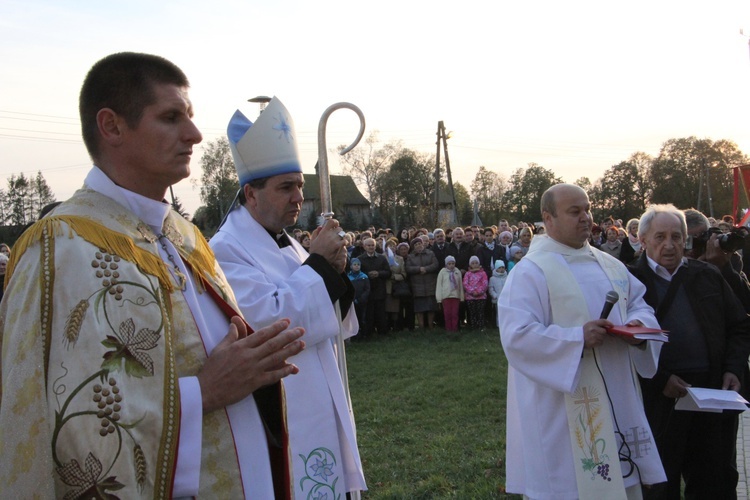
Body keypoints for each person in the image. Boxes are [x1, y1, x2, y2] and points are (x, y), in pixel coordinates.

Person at [0, 52, 307, 498]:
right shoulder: (60, 248)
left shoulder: (187, 236)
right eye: (170, 117)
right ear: (112, 126)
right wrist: (203, 392)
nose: (195, 135)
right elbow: (56, 423)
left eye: (191, 117)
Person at [209, 97, 366, 497]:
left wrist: (333, 270)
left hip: (317, 390)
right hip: (279, 407)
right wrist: (320, 265)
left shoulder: (287, 244)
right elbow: (269, 323)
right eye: (286, 187)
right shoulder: (226, 249)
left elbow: (324, 312)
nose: (299, 196)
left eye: (299, 185)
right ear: (251, 193)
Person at [499, 183, 666, 499]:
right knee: (571, 485)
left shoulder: (610, 265)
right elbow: (516, 336)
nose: (586, 217)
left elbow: (640, 304)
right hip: (563, 404)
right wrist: (576, 339)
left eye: (587, 209)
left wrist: (637, 328)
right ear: (548, 219)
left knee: (620, 480)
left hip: (616, 392)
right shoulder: (531, 271)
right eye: (574, 212)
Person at [629, 205, 750, 499]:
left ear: (687, 240)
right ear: (643, 240)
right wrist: (660, 380)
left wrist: (734, 368)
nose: (669, 245)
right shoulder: (630, 282)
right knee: (659, 486)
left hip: (712, 397)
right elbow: (625, 344)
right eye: (660, 237)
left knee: (715, 481)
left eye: (676, 236)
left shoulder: (707, 274)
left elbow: (739, 326)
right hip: (660, 402)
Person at [358, 237, 391, 338]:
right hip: (367, 290)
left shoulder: (381, 258)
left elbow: (388, 272)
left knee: (380, 312)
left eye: (372, 245)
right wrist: (367, 274)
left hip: (379, 288)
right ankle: (369, 333)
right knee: (368, 313)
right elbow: (357, 273)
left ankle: (382, 332)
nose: (371, 247)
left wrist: (378, 273)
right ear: (364, 246)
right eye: (368, 245)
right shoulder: (360, 259)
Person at [405, 237, 439, 329]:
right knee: (419, 308)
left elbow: (435, 264)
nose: (418, 246)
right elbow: (408, 268)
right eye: (416, 245)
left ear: (423, 244)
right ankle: (421, 326)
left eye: (419, 244)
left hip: (430, 284)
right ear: (413, 247)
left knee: (431, 308)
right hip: (417, 286)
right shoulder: (410, 257)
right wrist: (418, 269)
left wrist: (426, 269)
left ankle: (431, 325)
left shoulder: (430, 253)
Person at [435, 255, 464, 332]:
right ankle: (448, 328)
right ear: (446, 264)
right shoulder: (442, 272)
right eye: (449, 264)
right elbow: (439, 285)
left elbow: (460, 285)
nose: (451, 265)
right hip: (446, 296)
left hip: (455, 296)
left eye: (453, 263)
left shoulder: (457, 272)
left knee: (454, 313)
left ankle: (454, 328)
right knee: (447, 314)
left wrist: (461, 297)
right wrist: (439, 298)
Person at [463, 255, 488, 329]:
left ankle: (481, 326)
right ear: (470, 264)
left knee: (480, 312)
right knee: (472, 312)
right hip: (470, 297)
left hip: (481, 296)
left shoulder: (483, 273)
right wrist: (472, 292)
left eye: (476, 263)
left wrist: (478, 292)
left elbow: (485, 284)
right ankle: (473, 326)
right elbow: (465, 284)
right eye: (473, 263)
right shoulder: (467, 274)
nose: (475, 265)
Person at [348, 258, 370, 334]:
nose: (356, 266)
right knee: (354, 318)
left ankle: (364, 334)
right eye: (354, 264)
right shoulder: (348, 277)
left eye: (358, 265)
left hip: (363, 301)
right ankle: (355, 334)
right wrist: (353, 299)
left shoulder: (364, 276)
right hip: (352, 302)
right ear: (351, 266)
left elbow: (367, 289)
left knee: (362, 318)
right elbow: (348, 290)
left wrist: (361, 299)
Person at [488, 260, 507, 326]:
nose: (501, 269)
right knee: (499, 312)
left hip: (506, 298)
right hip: (498, 298)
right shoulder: (492, 279)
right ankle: (499, 325)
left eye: (503, 267)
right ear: (496, 269)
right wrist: (495, 295)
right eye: (499, 268)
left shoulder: (507, 277)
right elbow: (490, 288)